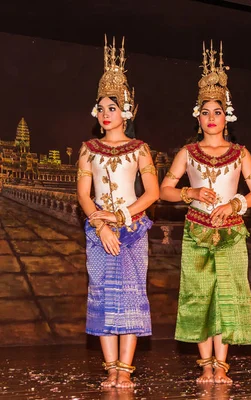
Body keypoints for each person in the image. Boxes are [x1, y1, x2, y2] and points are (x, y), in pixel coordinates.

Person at [159, 42, 251, 384]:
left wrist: (235, 203)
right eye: (206, 112)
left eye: (217, 112)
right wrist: (189, 192)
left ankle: (222, 364)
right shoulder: (188, 153)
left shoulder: (240, 152)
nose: (211, 118)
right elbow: (164, 190)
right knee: (198, 294)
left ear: (226, 115)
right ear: (197, 116)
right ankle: (205, 365)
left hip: (231, 231)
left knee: (229, 294)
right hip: (197, 230)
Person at [77, 36, 159, 388]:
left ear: (126, 111)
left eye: (112, 107)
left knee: (130, 293)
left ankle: (125, 370)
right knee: (101, 294)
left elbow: (153, 192)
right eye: (101, 108)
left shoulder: (140, 149)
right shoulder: (87, 149)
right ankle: (109, 368)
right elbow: (83, 195)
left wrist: (121, 218)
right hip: (99, 233)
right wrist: (101, 223)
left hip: (133, 229)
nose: (105, 114)